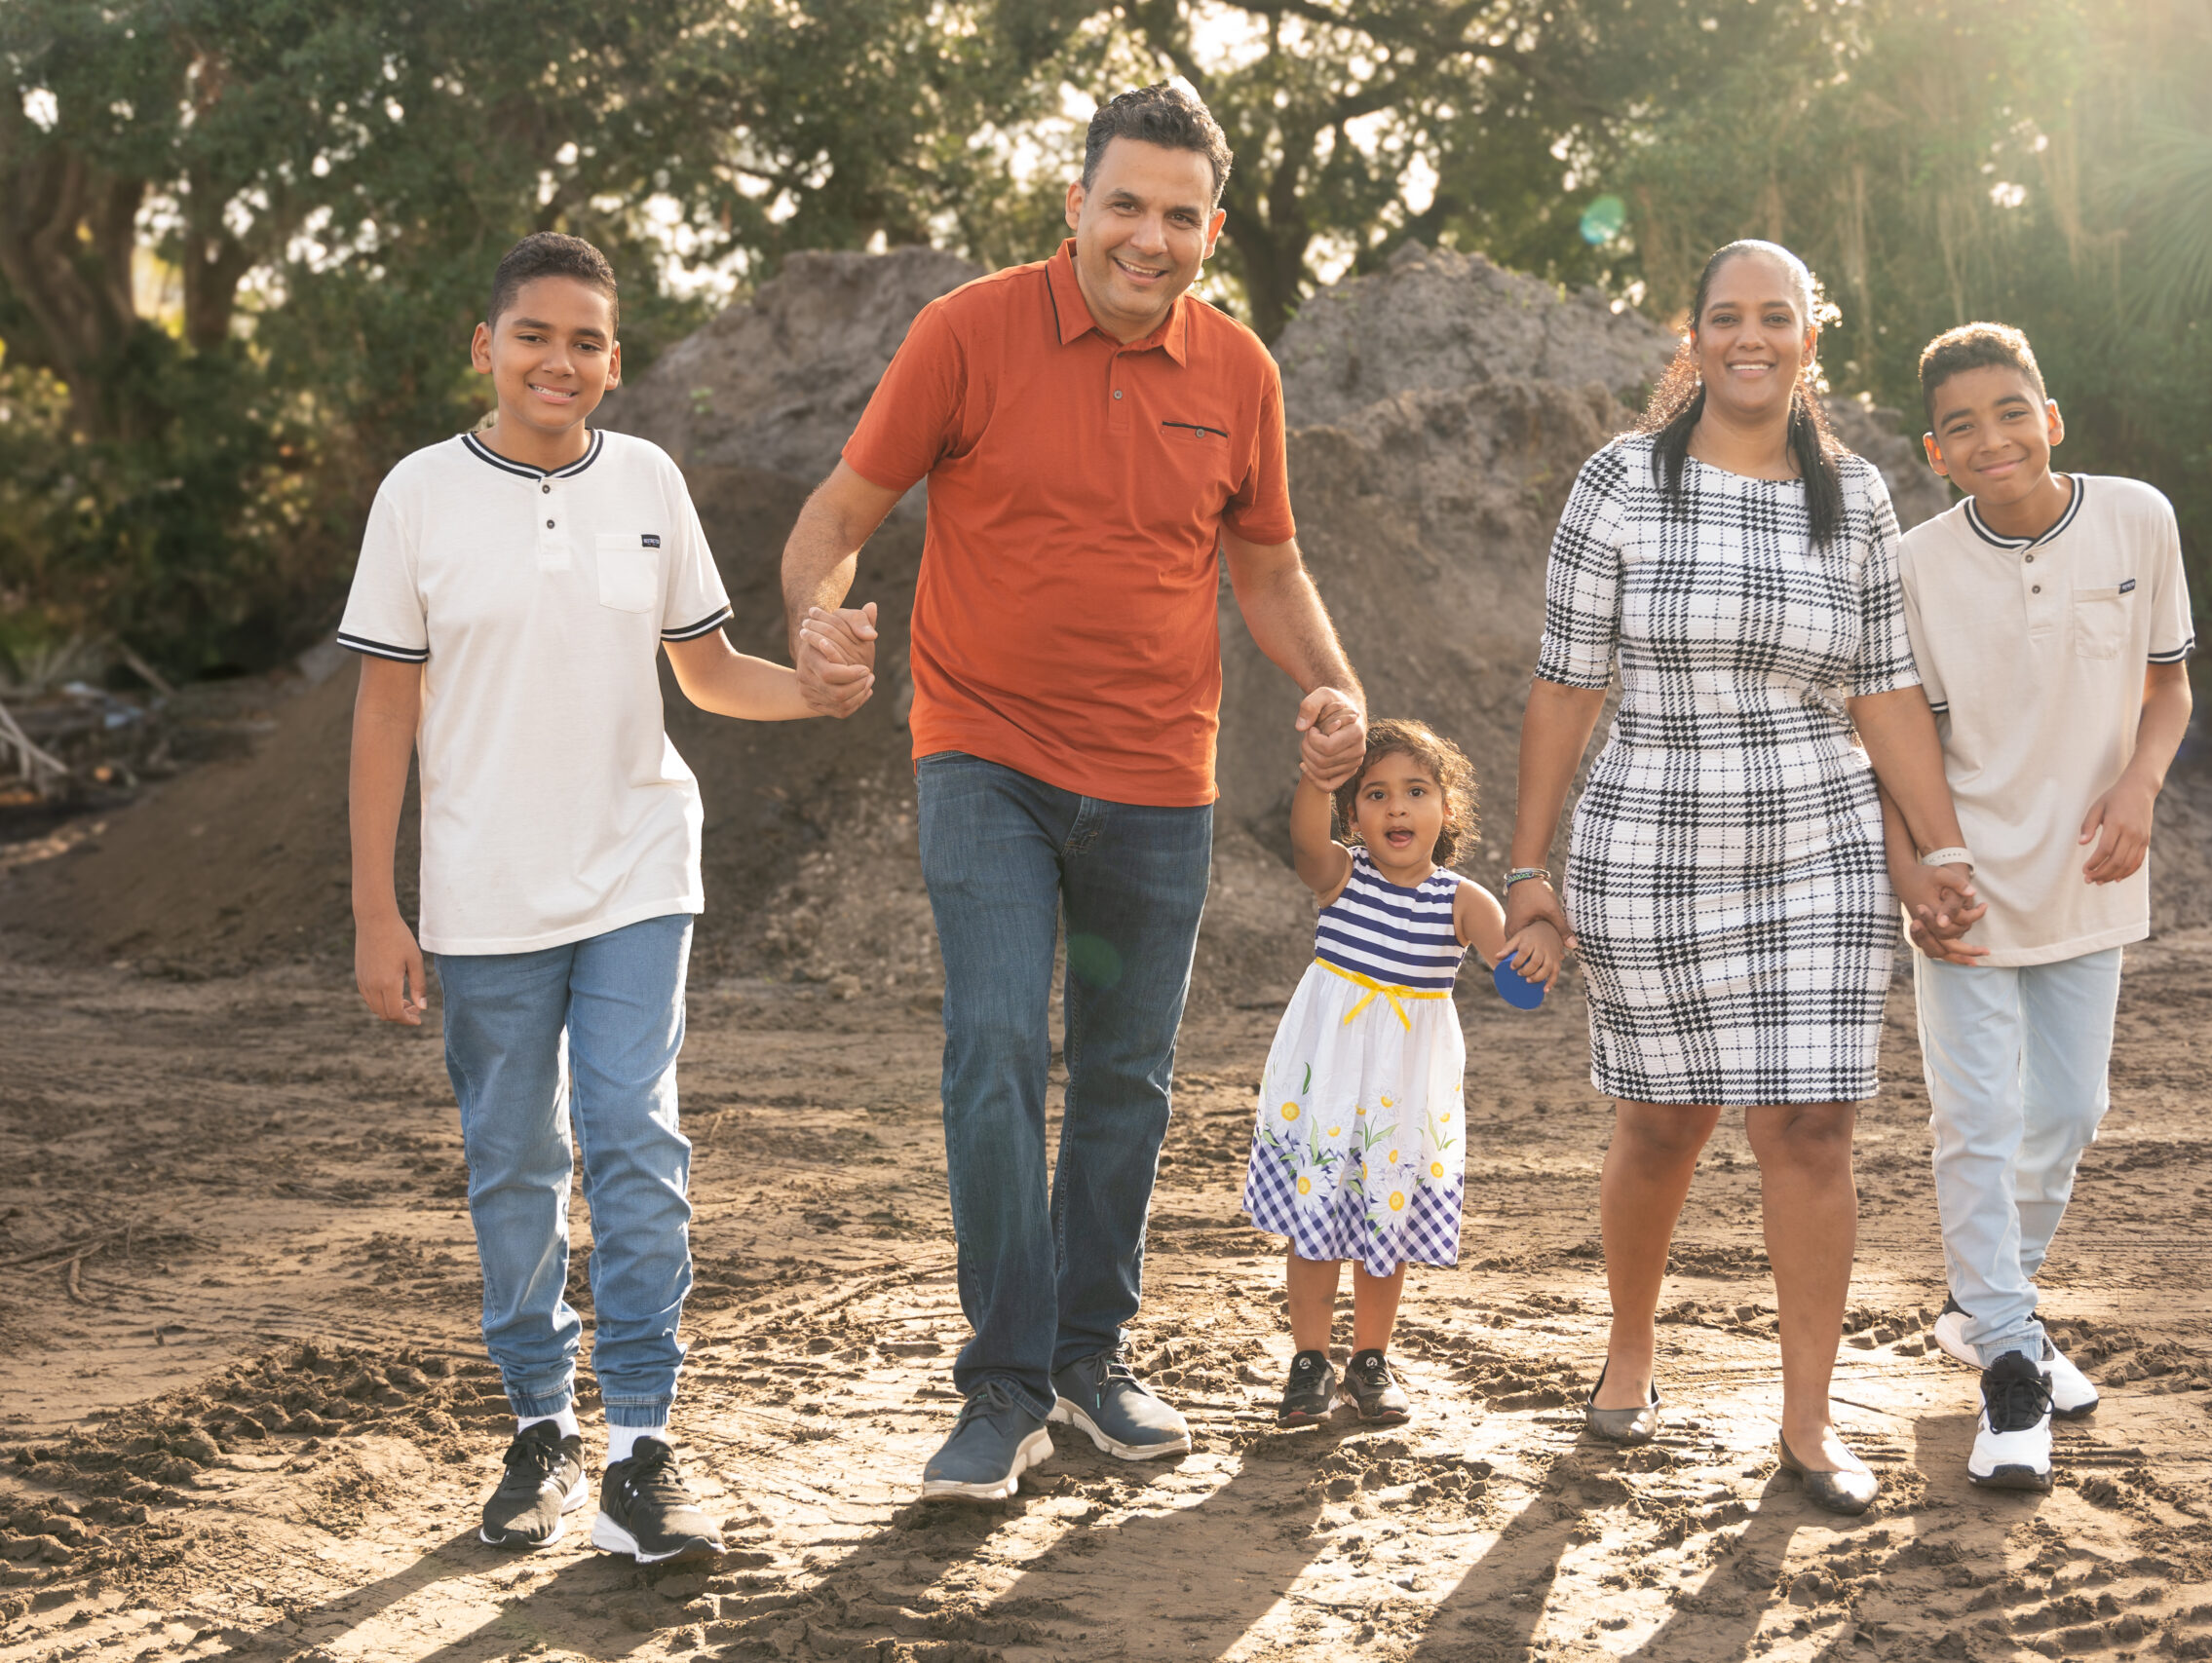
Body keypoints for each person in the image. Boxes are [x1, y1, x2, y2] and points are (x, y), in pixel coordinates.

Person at [778, 83, 1366, 1503]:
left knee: (1126, 1075)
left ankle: (1092, 1359)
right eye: (1125, 205)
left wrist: (1333, 684)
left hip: (1161, 778)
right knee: (992, 1047)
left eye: (1178, 215)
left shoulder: (1240, 374)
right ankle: (1002, 1384)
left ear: (1210, 230)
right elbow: (838, 519)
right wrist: (815, 620)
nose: (1147, 238)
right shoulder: (965, 333)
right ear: (1074, 207)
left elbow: (1268, 564)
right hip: (983, 756)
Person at [343, 233, 822, 1564]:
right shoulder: (420, 496)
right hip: (480, 889)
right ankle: (543, 1424)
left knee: (630, 1131)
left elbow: (711, 670)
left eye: (587, 341)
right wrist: (380, 909)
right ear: (484, 347)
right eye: (534, 334)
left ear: (615, 363)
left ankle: (643, 1451)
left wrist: (816, 690)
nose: (560, 360)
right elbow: (386, 711)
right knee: (515, 1161)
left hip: (637, 863)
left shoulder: (652, 481)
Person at [1503, 239, 1978, 1516]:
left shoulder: (1859, 497)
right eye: (1727, 316)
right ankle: (1631, 1349)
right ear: (1694, 335)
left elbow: (1884, 690)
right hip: (1647, 843)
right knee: (1662, 1120)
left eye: (1776, 316)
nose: (1750, 336)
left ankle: (1808, 1423)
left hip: (1816, 844)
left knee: (1812, 1123)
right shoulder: (1619, 482)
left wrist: (1938, 847)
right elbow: (1564, 686)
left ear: (1811, 335)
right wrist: (1526, 866)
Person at [1891, 321, 2194, 1491]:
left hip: (2090, 871)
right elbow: (1893, 735)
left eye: (2010, 412)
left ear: (2049, 417)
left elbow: (2166, 685)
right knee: (1974, 1123)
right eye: (1961, 426)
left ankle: (1985, 1304)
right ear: (1935, 450)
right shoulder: (1915, 561)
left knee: (2067, 1109)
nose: (1992, 439)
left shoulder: (2136, 519)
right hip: (1960, 883)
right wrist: (1911, 869)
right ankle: (2008, 1371)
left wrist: (2138, 787)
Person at [1244, 720, 1541, 1426]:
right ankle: (1310, 1360)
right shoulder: (1342, 876)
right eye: (1375, 795)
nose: (1397, 808)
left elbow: (1516, 968)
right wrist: (1320, 774)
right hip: (1330, 1082)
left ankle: (1370, 1360)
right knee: (1314, 1224)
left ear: (1447, 811)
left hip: (1402, 1093)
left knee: (1387, 1220)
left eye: (1416, 791)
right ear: (1353, 816)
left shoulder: (1463, 901)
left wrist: (1542, 943)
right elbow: (1305, 841)